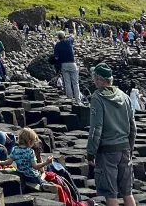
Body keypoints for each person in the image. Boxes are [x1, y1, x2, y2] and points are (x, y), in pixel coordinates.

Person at [87, 63, 136, 206]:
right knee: (127, 192)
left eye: (95, 77)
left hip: (107, 151)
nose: (94, 80)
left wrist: (91, 152)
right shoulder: (125, 96)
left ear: (98, 79)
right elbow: (133, 127)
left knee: (110, 193)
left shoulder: (97, 97)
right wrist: (130, 148)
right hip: (125, 149)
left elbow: (96, 128)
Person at [53, 31, 79, 101]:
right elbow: (74, 35)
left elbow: (56, 58)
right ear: (64, 36)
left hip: (64, 64)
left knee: (67, 83)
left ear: (58, 38)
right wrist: (73, 27)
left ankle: (70, 99)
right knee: (75, 83)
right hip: (72, 64)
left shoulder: (57, 45)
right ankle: (77, 100)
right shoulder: (69, 41)